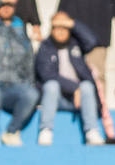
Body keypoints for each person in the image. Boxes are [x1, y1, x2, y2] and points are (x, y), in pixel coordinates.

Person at [57, 0, 115, 143]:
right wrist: (61, 19)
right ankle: (75, 105)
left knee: (97, 77)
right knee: (69, 73)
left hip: (99, 33)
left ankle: (99, 112)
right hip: (72, 33)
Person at [0, 0, 40, 146]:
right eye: (2, 5)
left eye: (9, 5)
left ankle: (12, 131)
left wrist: (28, 82)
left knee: (31, 94)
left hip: (13, 85)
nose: (5, 8)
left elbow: (28, 61)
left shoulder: (20, 30)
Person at [35, 12, 105, 146]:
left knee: (87, 86)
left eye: (65, 27)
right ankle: (46, 130)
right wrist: (75, 88)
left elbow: (92, 41)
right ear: (51, 28)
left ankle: (92, 131)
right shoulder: (45, 47)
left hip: (79, 100)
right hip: (57, 99)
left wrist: (72, 23)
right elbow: (47, 75)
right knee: (51, 85)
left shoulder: (76, 44)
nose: (61, 31)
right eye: (57, 27)